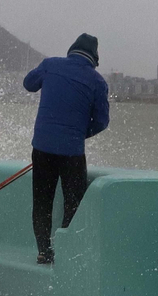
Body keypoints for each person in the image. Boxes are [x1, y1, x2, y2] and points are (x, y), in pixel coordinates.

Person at [22, 33, 110, 264]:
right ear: (94, 57)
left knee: (42, 201)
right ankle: (67, 253)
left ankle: (44, 251)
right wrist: (79, 132)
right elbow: (101, 122)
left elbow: (28, 84)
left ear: (71, 49)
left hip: (41, 148)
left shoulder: (51, 65)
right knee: (73, 203)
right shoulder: (97, 81)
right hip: (72, 152)